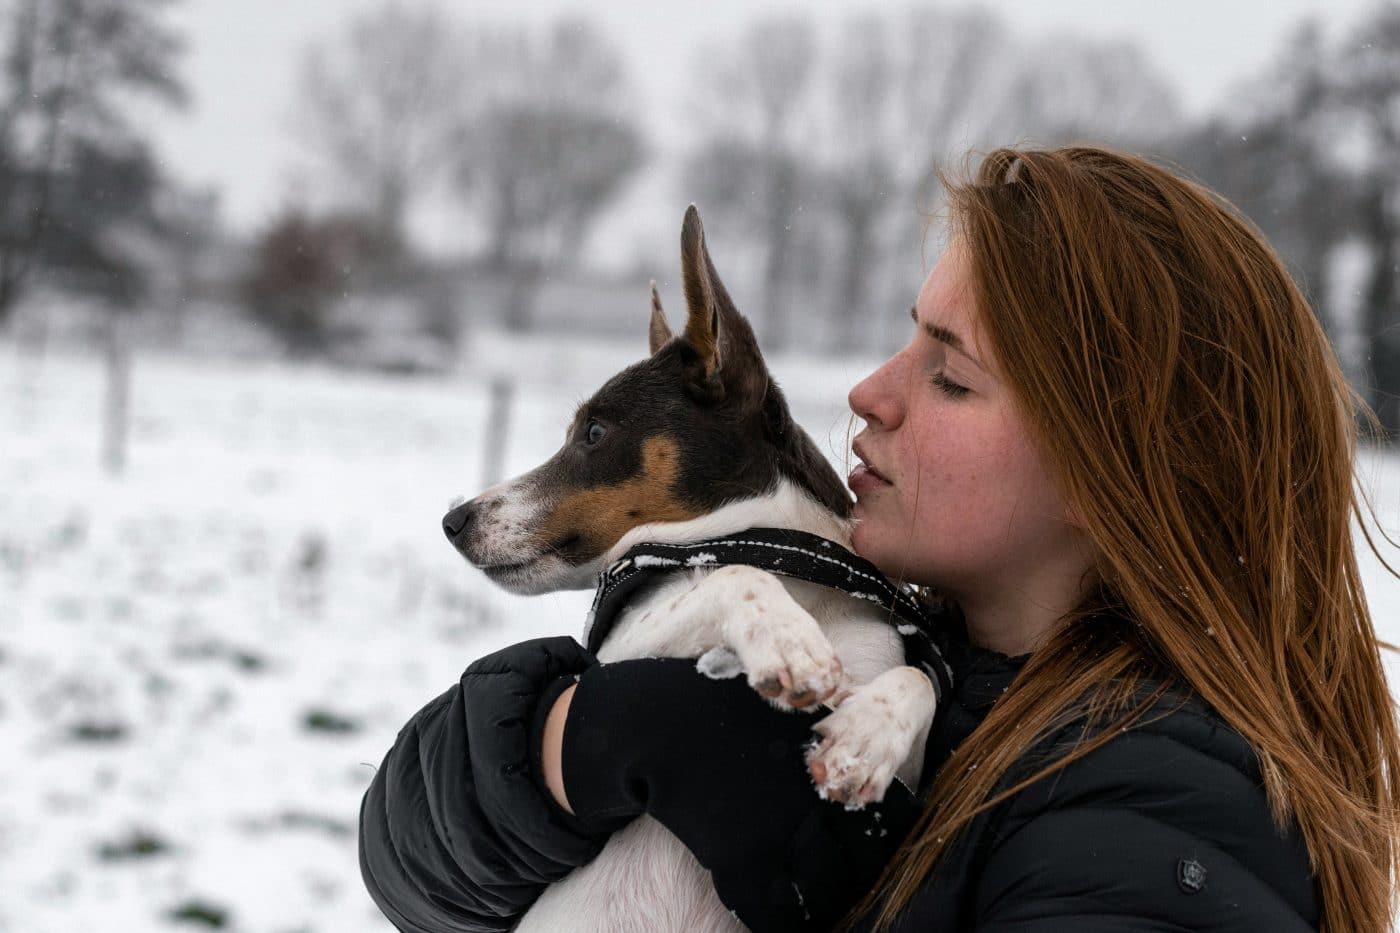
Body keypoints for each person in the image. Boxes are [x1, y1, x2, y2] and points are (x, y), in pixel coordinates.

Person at [358, 146, 1399, 933]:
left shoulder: (1153, 819)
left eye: (948, 375)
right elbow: (404, 861)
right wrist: (569, 748)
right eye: (905, 338)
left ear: (1111, 474)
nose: (865, 394)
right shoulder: (928, 667)